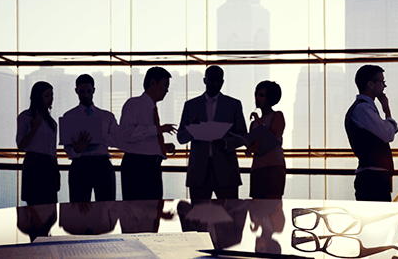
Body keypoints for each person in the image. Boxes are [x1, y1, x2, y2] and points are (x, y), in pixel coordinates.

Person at [177, 65, 247, 203]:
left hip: (226, 170)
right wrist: (192, 129)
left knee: (230, 218)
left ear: (222, 82)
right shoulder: (190, 105)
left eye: (218, 81)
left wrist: (226, 143)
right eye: (211, 80)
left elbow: (243, 136)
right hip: (199, 170)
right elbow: (180, 138)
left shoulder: (233, 105)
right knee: (197, 219)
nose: (215, 84)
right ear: (204, 80)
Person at [119, 66, 176, 201]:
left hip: (152, 167)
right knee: (135, 213)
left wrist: (161, 146)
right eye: (165, 85)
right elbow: (126, 134)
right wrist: (157, 130)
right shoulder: (133, 104)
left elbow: (141, 140)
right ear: (152, 83)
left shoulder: (152, 107)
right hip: (137, 167)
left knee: (154, 212)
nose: (167, 90)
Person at [345, 64, 398, 202]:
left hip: (373, 177)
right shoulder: (362, 109)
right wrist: (387, 110)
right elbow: (388, 134)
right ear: (370, 84)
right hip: (372, 179)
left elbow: (389, 131)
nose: (384, 86)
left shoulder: (365, 108)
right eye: (382, 81)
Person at [63, 74, 119, 203]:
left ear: (94, 90)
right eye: (82, 91)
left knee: (107, 209)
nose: (86, 95)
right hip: (80, 164)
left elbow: (118, 141)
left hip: (102, 164)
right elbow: (67, 147)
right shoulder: (68, 117)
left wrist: (101, 136)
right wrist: (76, 150)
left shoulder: (107, 117)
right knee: (78, 210)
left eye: (89, 91)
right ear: (76, 91)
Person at [16, 81, 59, 206]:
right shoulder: (25, 117)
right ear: (37, 96)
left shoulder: (52, 122)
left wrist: (56, 171)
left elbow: (53, 150)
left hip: (50, 165)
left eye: (51, 95)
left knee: (50, 208)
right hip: (34, 165)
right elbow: (21, 145)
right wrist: (34, 128)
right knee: (33, 208)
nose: (50, 99)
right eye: (46, 95)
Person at [246, 81, 286, 199]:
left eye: (262, 95)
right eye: (256, 94)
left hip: (274, 167)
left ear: (270, 98)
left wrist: (259, 121)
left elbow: (272, 139)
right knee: (256, 210)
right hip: (257, 167)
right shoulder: (253, 124)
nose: (257, 98)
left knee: (274, 208)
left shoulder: (277, 115)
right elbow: (254, 145)